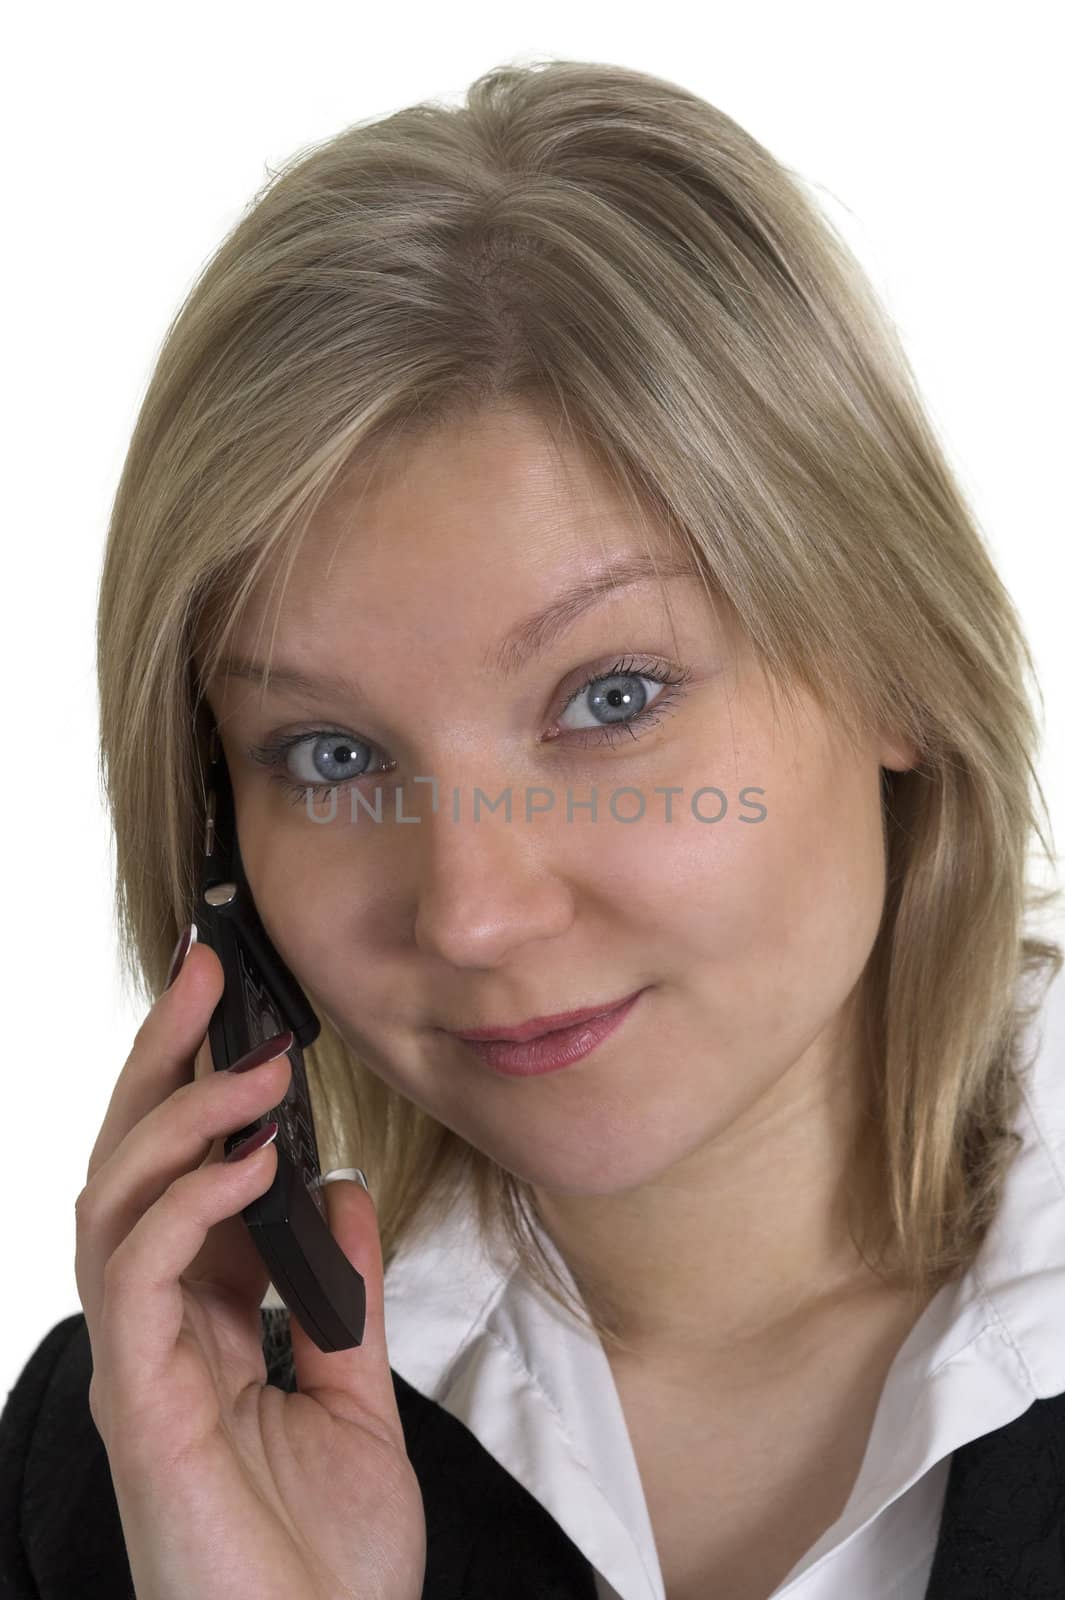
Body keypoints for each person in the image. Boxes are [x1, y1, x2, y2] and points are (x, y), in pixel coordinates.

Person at [2, 55, 1063, 1600]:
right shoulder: (134, 1467)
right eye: (330, 750)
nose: (473, 912)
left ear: (894, 657)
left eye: (614, 697)